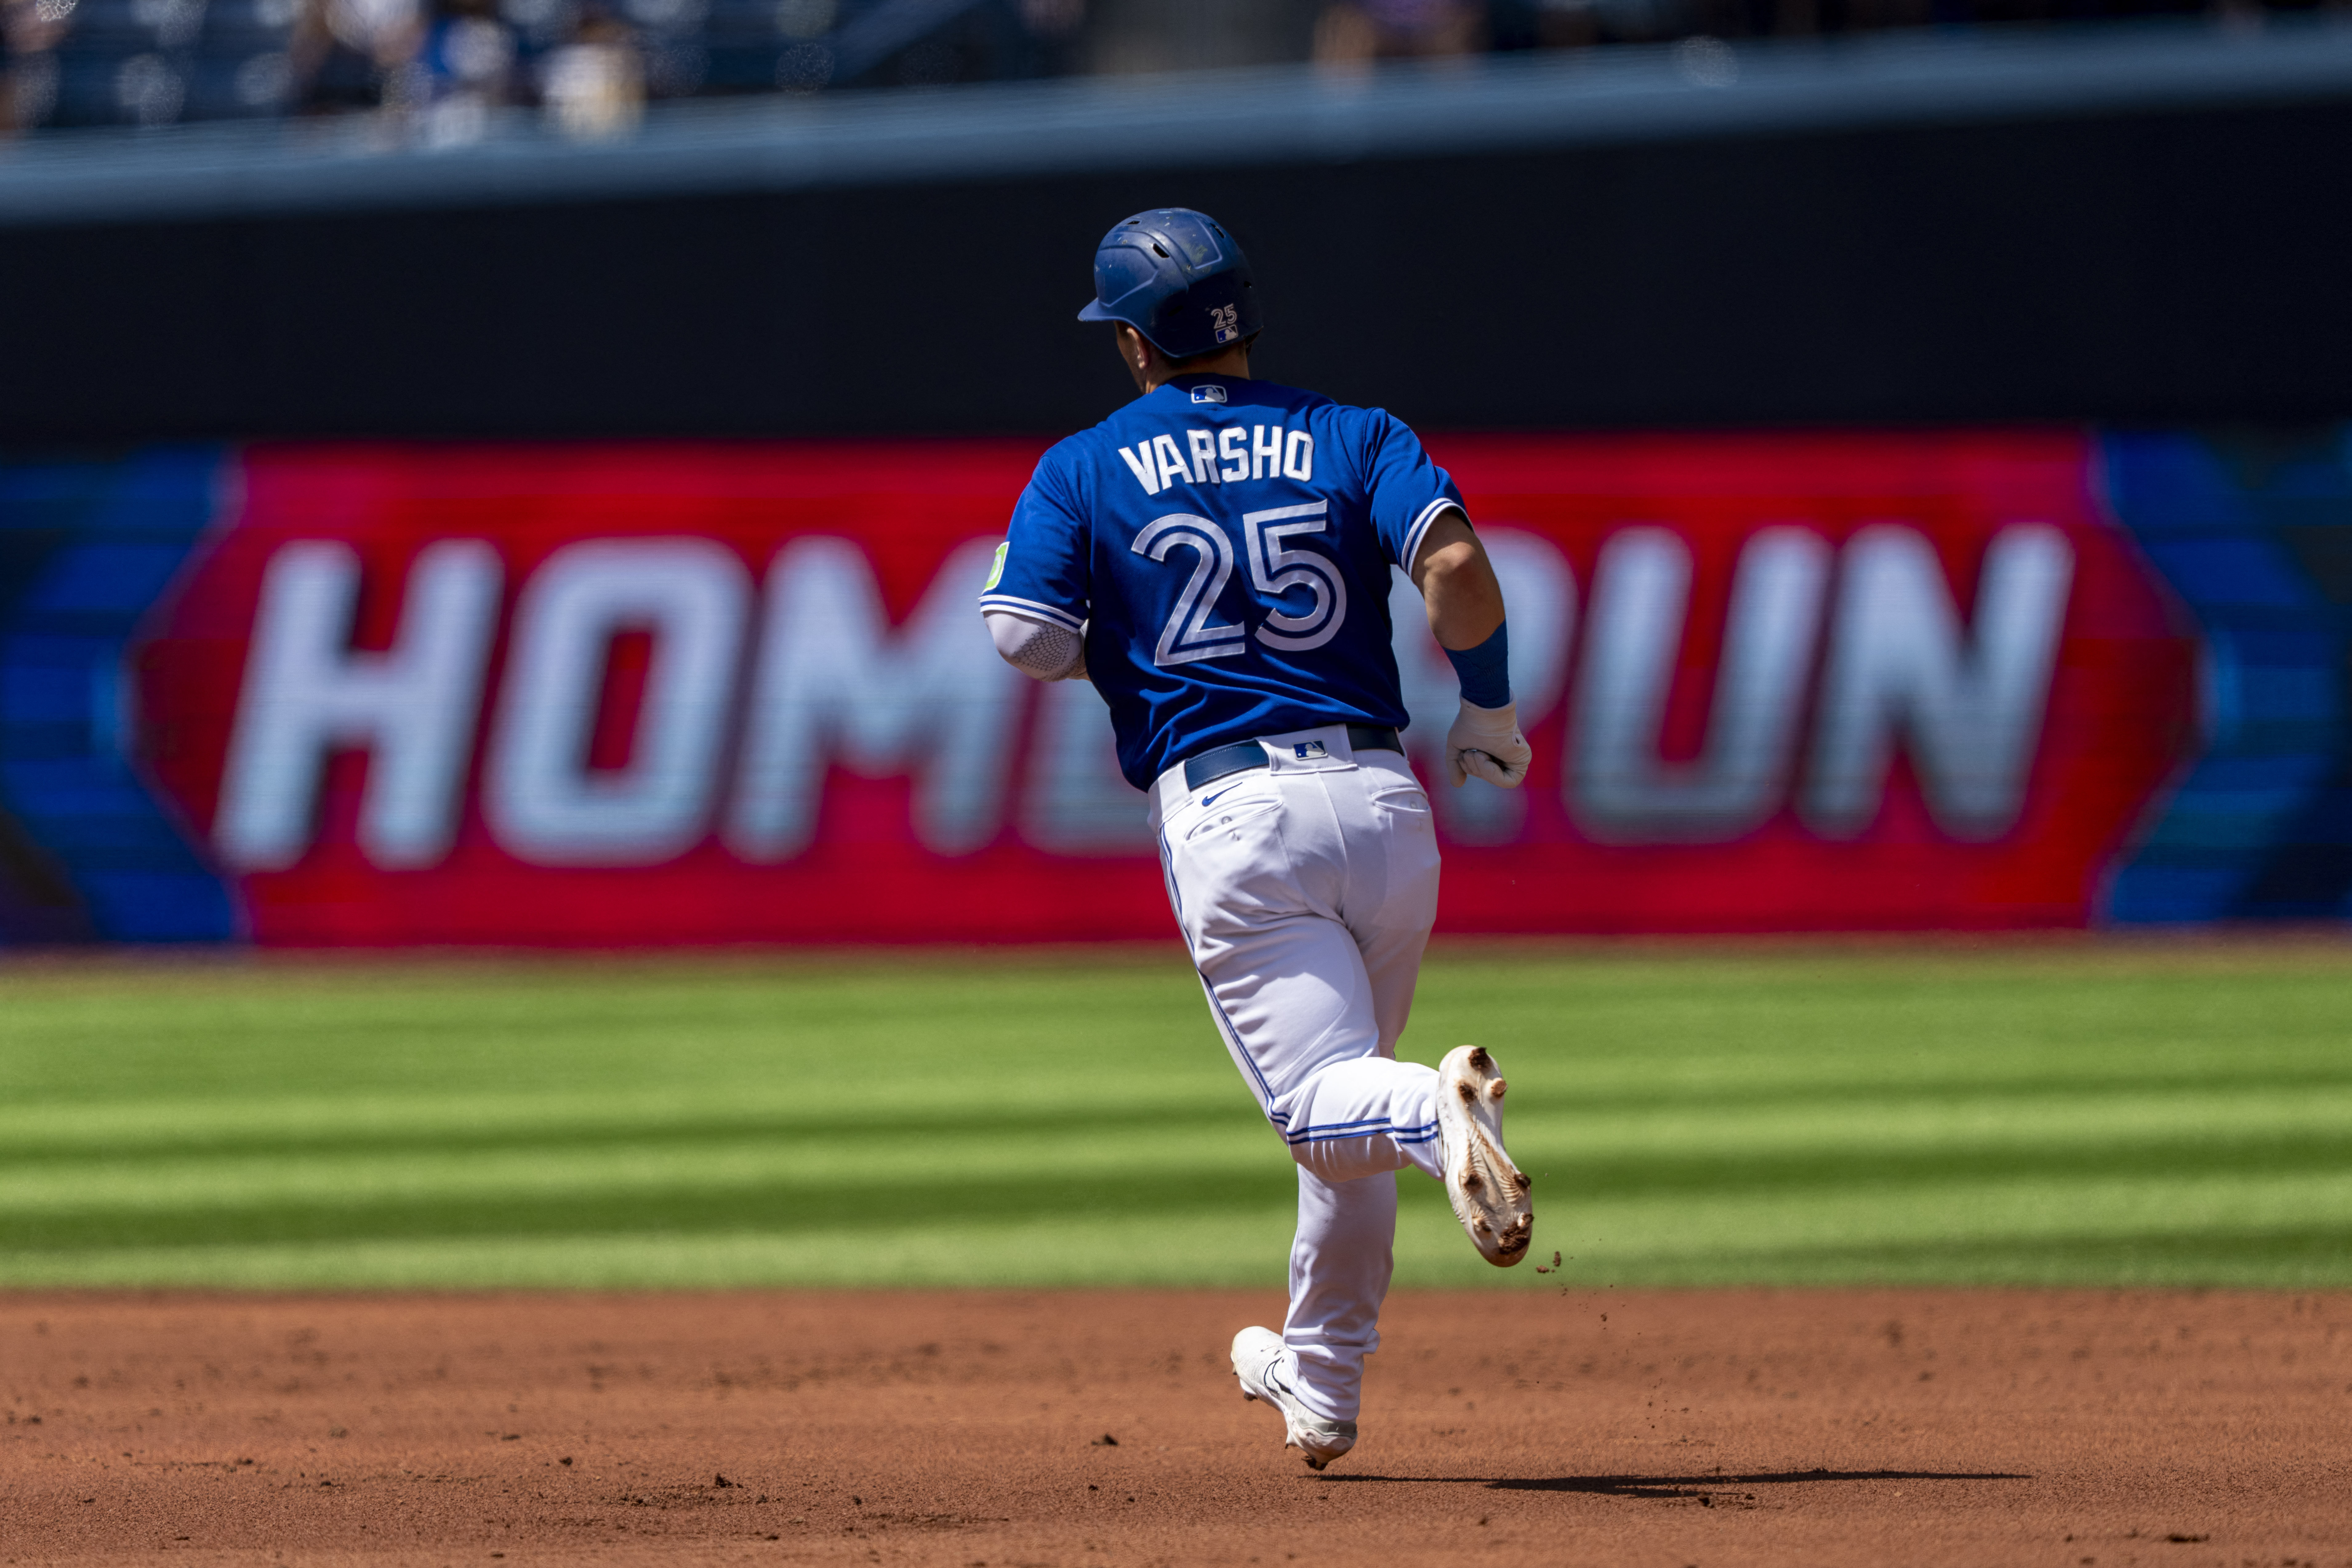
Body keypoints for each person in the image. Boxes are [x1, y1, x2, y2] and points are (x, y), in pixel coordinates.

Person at [978, 207, 1535, 1470]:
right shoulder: (1357, 432)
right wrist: (1491, 705)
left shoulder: (1085, 463)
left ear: (1132, 342)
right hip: (1384, 805)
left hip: (1235, 811)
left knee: (1325, 1106)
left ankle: (1440, 1109)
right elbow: (1451, 560)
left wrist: (1112, 638)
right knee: (1344, 1106)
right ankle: (1322, 1379)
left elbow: (1023, 634)